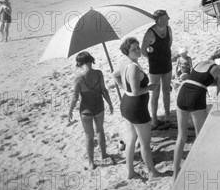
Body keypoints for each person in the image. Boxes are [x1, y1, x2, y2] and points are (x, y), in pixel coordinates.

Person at [173, 49, 220, 179]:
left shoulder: (199, 63)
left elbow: (198, 78)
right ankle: (198, 170)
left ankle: (175, 175)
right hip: (196, 96)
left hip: (183, 92)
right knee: (200, 138)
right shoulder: (219, 69)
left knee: (181, 137)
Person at [117, 37, 162, 180]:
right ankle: (152, 172)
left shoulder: (125, 63)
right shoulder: (134, 68)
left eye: (138, 47)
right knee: (145, 144)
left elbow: (115, 75)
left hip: (126, 104)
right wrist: (150, 87)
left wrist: (125, 88)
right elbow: (137, 91)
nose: (137, 50)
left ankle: (130, 171)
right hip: (137, 108)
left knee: (131, 139)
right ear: (127, 52)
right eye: (133, 49)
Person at [68, 52, 114, 170]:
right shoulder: (99, 73)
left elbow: (75, 97)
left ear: (79, 63)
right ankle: (104, 154)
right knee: (100, 130)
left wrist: (70, 110)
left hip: (86, 109)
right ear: (91, 60)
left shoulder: (78, 78)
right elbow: (104, 90)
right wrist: (110, 103)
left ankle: (91, 163)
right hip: (99, 106)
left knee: (88, 135)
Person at [141, 10, 173, 128]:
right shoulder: (150, 32)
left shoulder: (168, 29)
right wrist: (153, 57)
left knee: (166, 91)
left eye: (167, 18)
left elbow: (169, 43)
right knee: (155, 93)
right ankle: (154, 118)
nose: (167, 20)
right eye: (165, 18)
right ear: (158, 19)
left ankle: (167, 115)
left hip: (167, 64)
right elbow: (142, 50)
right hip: (155, 67)